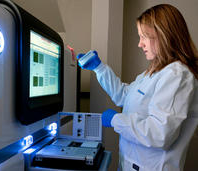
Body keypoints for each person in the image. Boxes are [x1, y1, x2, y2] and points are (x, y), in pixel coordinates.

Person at [77, 4, 198, 171]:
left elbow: (159, 134)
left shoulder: (177, 75)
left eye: (144, 36)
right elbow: (124, 95)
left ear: (164, 36)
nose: (140, 44)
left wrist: (115, 120)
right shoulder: (153, 73)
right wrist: (99, 68)